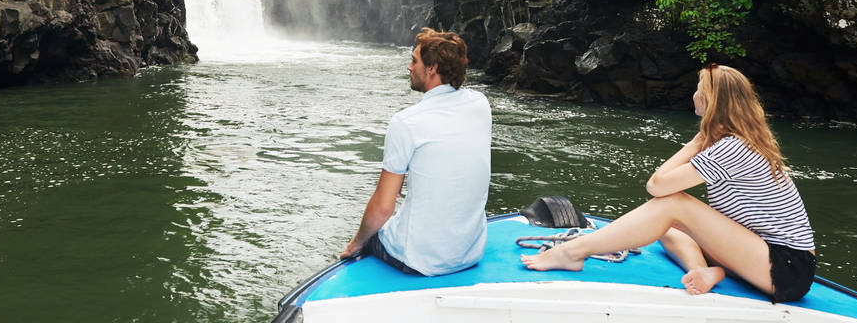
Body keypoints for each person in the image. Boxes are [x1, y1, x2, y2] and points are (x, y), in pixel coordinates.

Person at [522, 64, 816, 303]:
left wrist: (698, 139)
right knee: (666, 228)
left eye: (699, 90)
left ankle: (572, 252)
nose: (694, 95)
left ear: (711, 102)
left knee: (673, 205)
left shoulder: (733, 148)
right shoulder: (735, 143)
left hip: (786, 267)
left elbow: (658, 186)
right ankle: (705, 271)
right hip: (760, 254)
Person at [338, 28, 491, 276]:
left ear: (431, 69)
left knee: (370, 233)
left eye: (414, 61)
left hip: (419, 261)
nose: (409, 67)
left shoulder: (407, 122)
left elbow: (384, 206)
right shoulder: (480, 104)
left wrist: (357, 243)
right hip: (470, 253)